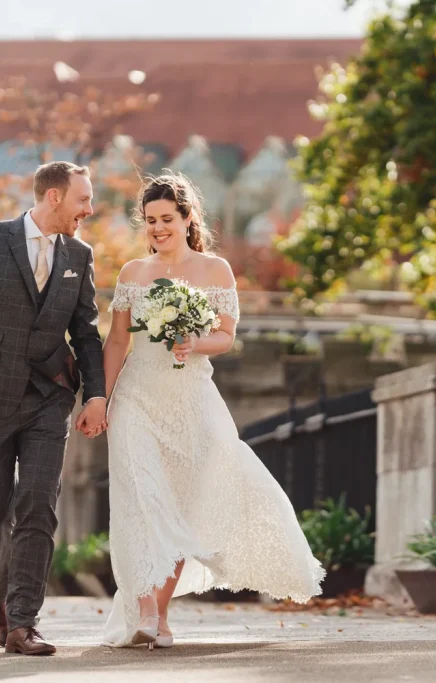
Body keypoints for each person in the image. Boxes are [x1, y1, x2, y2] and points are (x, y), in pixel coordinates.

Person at [100, 172, 324, 649]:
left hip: (191, 399)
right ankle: (141, 607)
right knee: (142, 500)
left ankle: (158, 616)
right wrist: (99, 398)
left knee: (181, 505)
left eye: (167, 219)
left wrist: (193, 340)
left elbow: (225, 336)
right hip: (137, 397)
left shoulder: (215, 270)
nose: (158, 228)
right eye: (150, 220)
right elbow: (118, 340)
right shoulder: (132, 275)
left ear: (187, 219)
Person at [0, 161, 108, 656]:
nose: (88, 210)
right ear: (54, 197)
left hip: (49, 399)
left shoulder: (80, 254)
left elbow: (86, 332)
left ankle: (24, 621)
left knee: (37, 505)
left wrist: (95, 394)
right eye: (82, 200)